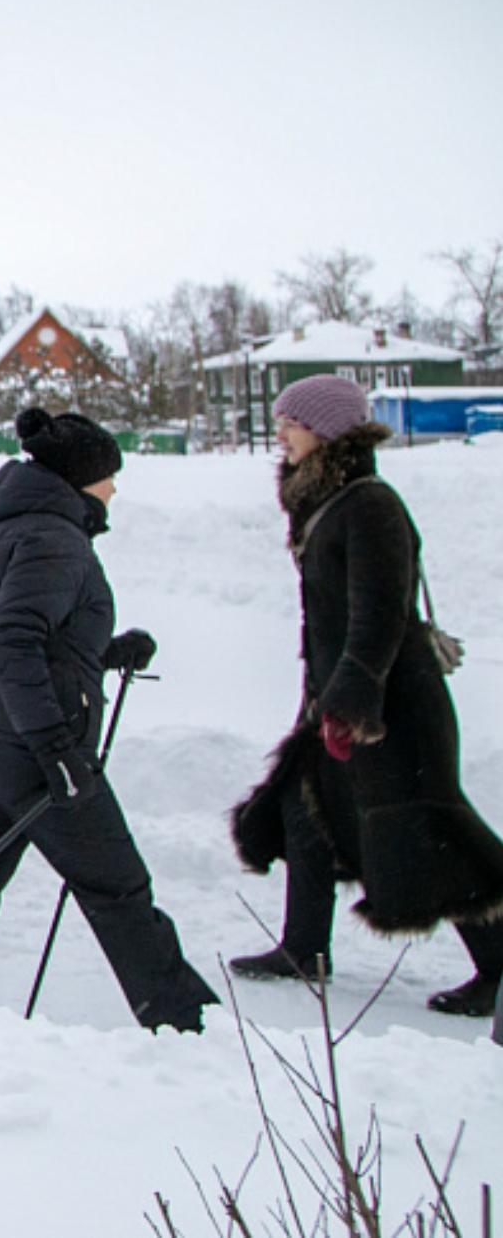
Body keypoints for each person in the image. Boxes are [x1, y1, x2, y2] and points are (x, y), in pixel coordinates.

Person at [0, 408, 217, 1033]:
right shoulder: (55, 540)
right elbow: (13, 639)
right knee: (116, 884)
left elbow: (18, 633)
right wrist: (55, 747)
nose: (115, 488)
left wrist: (105, 651)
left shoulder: (12, 529)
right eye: (108, 476)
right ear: (80, 478)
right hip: (32, 745)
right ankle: (187, 1025)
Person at [227, 375, 503, 1016]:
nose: (280, 433)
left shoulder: (370, 506)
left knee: (424, 831)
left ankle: (498, 965)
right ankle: (304, 949)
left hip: (391, 708)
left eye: (290, 421)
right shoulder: (333, 500)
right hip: (344, 695)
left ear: (325, 431)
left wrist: (351, 699)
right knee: (304, 813)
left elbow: (379, 614)